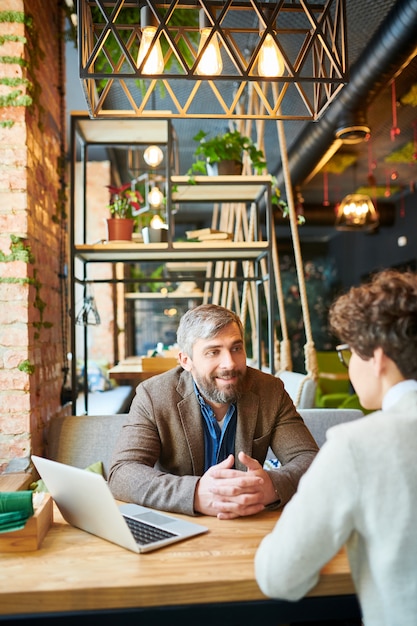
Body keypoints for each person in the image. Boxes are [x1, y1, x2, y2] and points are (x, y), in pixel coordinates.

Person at [255, 269, 417, 625]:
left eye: (349, 355)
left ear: (376, 357)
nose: (349, 369)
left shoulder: (359, 445)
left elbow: (278, 574)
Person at [108, 303, 318, 519]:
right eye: (213, 352)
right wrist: (196, 493)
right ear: (186, 361)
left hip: (250, 524)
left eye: (236, 348)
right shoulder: (154, 395)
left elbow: (309, 459)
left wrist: (272, 486)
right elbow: (122, 472)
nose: (229, 363)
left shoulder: (269, 390)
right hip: (180, 524)